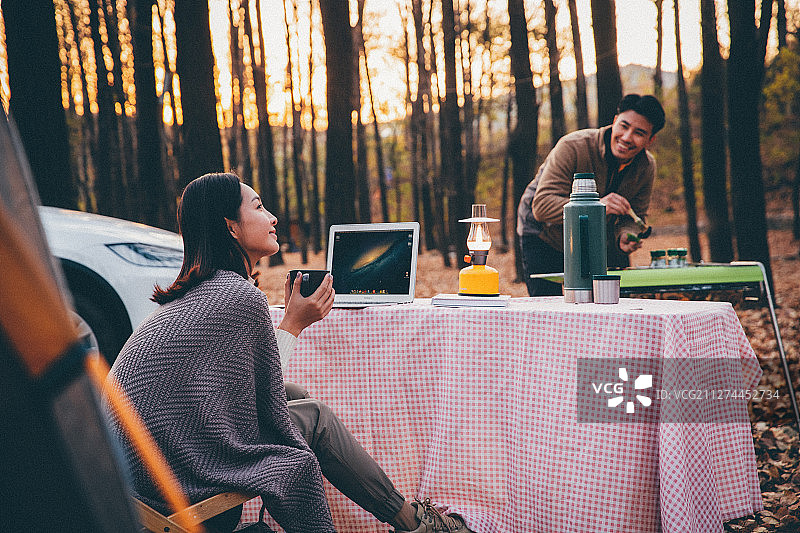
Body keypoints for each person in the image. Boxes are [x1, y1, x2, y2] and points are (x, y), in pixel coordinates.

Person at [107, 173, 472, 533]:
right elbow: (258, 398)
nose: (273, 218)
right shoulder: (236, 297)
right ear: (231, 228)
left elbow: (247, 392)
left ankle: (409, 518)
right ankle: (415, 523)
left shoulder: (196, 294)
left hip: (136, 477)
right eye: (259, 207)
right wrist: (293, 323)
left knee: (295, 396)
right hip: (169, 489)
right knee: (314, 417)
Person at [516, 94, 666, 296]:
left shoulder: (646, 167)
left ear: (650, 140)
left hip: (596, 241)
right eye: (624, 126)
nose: (627, 137)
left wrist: (624, 235)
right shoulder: (573, 146)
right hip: (545, 235)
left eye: (639, 133)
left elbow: (635, 213)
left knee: (610, 305)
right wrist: (597, 206)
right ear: (614, 121)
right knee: (550, 309)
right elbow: (542, 206)